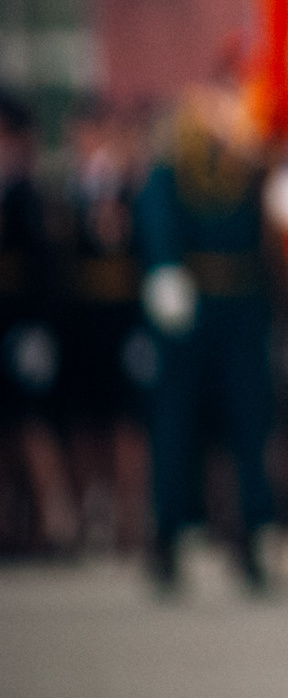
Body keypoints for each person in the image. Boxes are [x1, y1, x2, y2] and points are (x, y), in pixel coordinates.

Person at [138, 63, 280, 592]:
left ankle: (250, 537)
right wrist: (164, 266)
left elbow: (272, 233)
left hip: (242, 304)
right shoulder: (184, 138)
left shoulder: (260, 145)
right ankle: (168, 535)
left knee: (249, 427)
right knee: (176, 426)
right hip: (191, 302)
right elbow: (157, 200)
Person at [54, 100, 154, 553]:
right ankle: (93, 513)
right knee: (85, 422)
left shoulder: (134, 187)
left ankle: (130, 522)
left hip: (124, 312)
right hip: (83, 316)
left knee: (127, 423)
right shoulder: (74, 189)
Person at [1, 91, 77, 553]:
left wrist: (40, 327)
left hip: (22, 320)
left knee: (31, 426)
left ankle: (57, 521)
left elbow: (44, 265)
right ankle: (14, 524)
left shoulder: (26, 192)